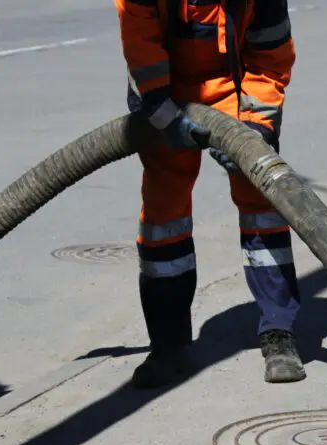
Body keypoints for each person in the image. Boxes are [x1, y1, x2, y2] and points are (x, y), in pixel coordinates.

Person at [115, 0, 304, 388]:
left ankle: (278, 334)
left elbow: (270, 60)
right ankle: (167, 347)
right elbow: (142, 52)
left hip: (236, 89)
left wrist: (255, 129)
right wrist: (167, 119)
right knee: (163, 216)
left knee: (261, 204)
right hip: (164, 95)